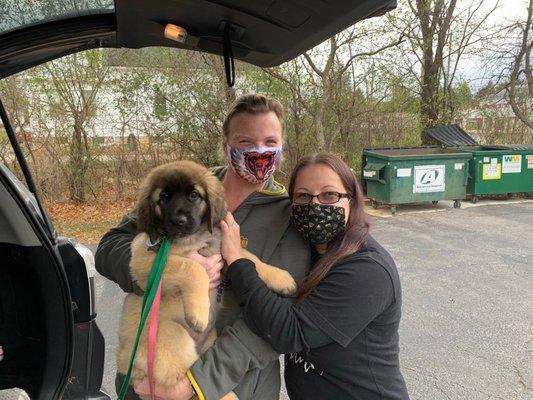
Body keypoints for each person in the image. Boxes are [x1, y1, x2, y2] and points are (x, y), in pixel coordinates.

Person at [95, 94, 310, 400]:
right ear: (226, 144)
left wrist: (196, 383)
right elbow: (110, 247)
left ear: (282, 147)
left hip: (234, 385)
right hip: (150, 372)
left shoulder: (289, 216)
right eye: (246, 141)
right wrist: (161, 274)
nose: (259, 152)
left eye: (269, 141)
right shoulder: (189, 184)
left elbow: (279, 321)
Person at [218, 153, 410, 400]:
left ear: (351, 200)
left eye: (330, 195)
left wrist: (237, 261)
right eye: (303, 196)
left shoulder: (367, 270)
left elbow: (291, 333)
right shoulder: (306, 252)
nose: (315, 205)